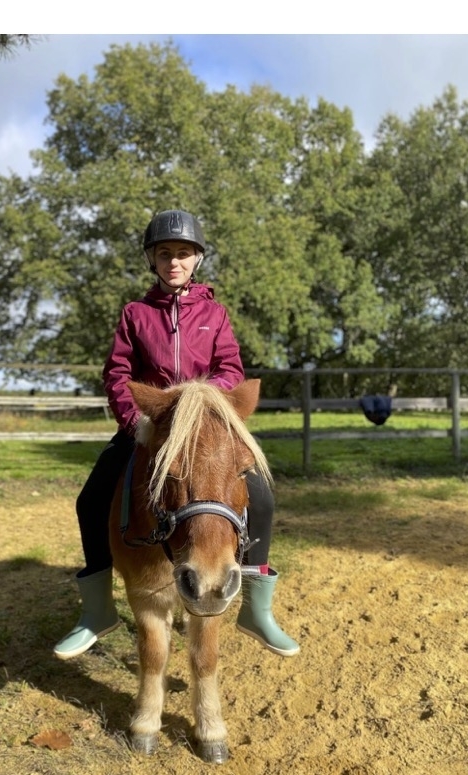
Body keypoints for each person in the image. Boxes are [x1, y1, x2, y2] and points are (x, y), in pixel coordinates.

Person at [53, 210, 299, 660]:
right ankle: (97, 609)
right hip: (150, 425)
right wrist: (136, 422)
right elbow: (118, 373)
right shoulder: (135, 314)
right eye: (165, 253)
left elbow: (230, 368)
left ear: (196, 259)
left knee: (261, 497)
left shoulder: (215, 315)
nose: (174, 262)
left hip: (205, 428)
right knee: (91, 498)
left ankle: (256, 607)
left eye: (183, 253)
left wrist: (200, 402)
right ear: (152, 259)